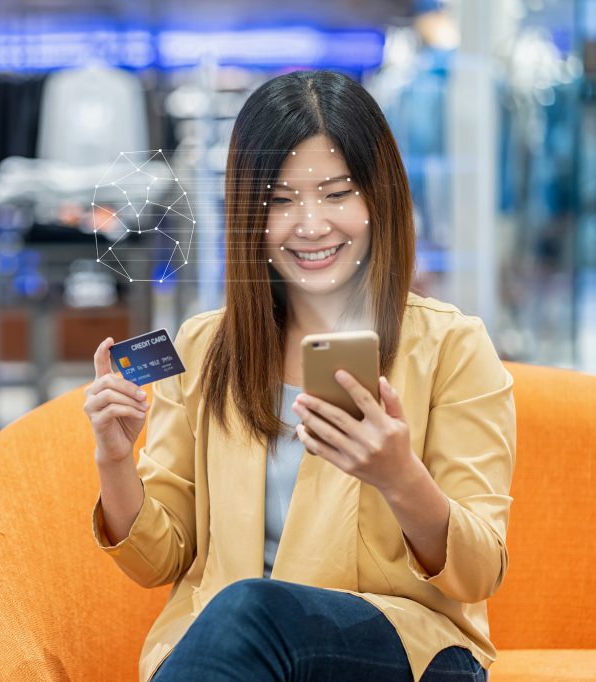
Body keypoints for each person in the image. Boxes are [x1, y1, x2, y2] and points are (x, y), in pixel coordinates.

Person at [84, 70, 514, 682]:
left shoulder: (452, 345)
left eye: (337, 193)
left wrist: (400, 479)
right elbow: (161, 558)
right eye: (281, 200)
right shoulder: (205, 346)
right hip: (228, 652)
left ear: (378, 197)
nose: (310, 224)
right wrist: (115, 460)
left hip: (406, 651)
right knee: (242, 616)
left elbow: (480, 571)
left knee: (250, 610)